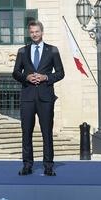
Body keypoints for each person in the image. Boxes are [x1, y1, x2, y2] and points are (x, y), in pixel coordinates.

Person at [11, 20, 65, 176]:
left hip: (46, 97)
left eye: (37, 31)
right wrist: (26, 77)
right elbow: (15, 73)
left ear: (42, 32)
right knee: (26, 133)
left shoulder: (52, 50)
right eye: (32, 32)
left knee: (47, 133)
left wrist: (46, 77)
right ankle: (27, 165)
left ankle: (48, 166)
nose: (34, 34)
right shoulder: (22, 51)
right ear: (29, 33)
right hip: (27, 97)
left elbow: (60, 73)